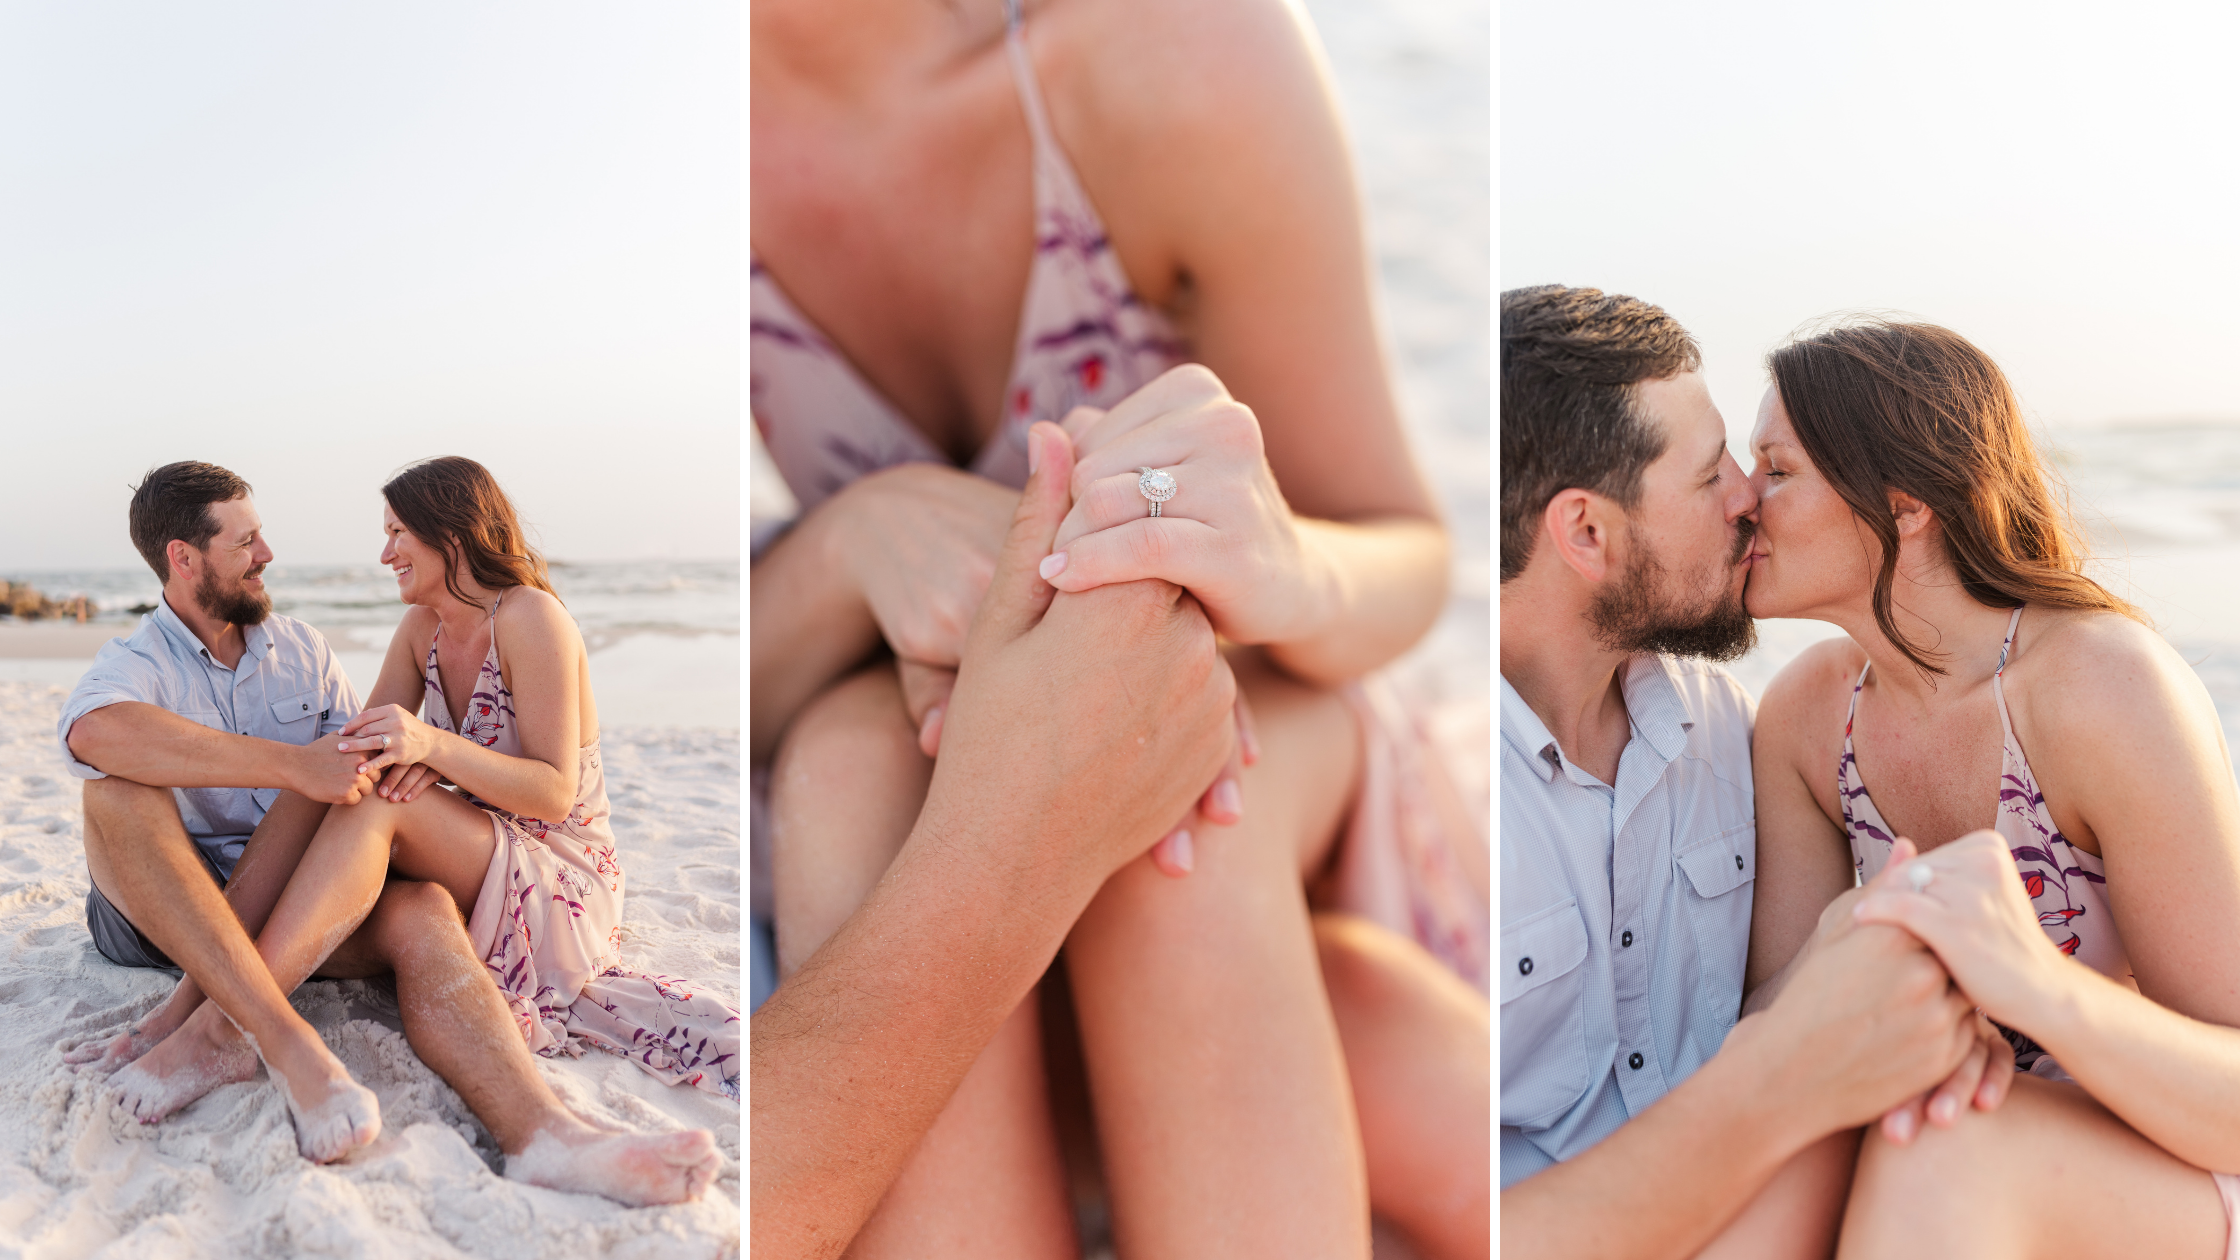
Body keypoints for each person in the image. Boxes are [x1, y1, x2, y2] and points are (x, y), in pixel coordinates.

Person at [753, 0, 1485, 1253]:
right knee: (843, 772)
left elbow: (1404, 551)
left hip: (1259, 699)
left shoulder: (1172, 49)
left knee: (1179, 829)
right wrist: (846, 543)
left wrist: (1277, 567)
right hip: (903, 726)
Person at [65, 458, 725, 1206]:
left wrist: (429, 750)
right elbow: (353, 760)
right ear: (183, 557)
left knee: (367, 794)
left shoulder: (531, 616)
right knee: (342, 773)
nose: (384, 554)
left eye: (397, 533)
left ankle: (225, 1031)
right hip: (409, 860)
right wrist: (359, 762)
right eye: (246, 541)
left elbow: (551, 793)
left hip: (558, 868)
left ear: (451, 534)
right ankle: (204, 1020)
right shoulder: (418, 632)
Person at [1498, 287, 1994, 1258]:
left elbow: (1778, 1007)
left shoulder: (1730, 733)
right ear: (1585, 534)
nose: (1745, 498)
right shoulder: (1441, 797)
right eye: (1708, 475)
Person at [1743, 319, 2240, 1257]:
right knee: (1789, 1153)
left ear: (1901, 507)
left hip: (2170, 1162)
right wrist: (1856, 956)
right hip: (1962, 1149)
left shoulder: (2100, 688)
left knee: (1942, 1140)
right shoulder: (1808, 716)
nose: (1741, 501)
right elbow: (1774, 1030)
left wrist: (2032, 986)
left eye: (1776, 470)